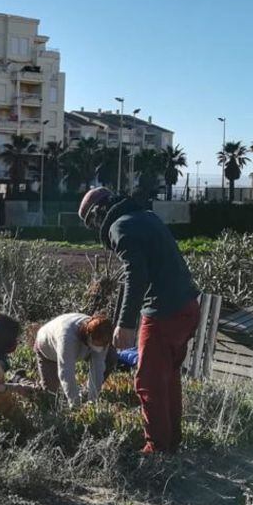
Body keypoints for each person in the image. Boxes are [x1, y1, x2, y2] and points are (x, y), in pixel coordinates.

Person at [79, 187, 200, 454]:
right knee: (168, 377)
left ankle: (156, 449)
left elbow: (136, 275)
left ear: (99, 213)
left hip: (162, 312)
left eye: (91, 222)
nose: (95, 228)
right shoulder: (146, 216)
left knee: (147, 381)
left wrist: (125, 323)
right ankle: (171, 443)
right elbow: (136, 273)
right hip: (188, 307)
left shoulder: (120, 227)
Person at [34, 313, 114, 408]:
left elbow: (98, 367)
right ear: (88, 336)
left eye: (103, 345)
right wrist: (75, 403)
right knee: (50, 396)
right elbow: (66, 373)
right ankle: (21, 380)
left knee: (111, 356)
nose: (101, 348)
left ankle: (85, 392)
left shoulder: (103, 334)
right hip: (48, 351)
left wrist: (93, 400)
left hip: (82, 349)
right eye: (97, 344)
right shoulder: (67, 338)